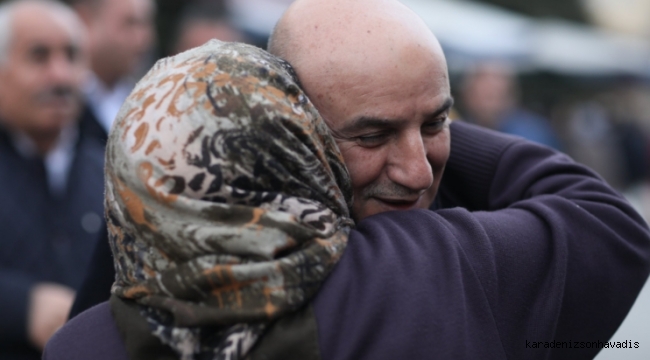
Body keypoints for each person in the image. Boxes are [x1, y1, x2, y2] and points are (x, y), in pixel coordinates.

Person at [57, 0, 650, 358]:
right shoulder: (429, 270)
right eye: (371, 135)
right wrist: (430, 117)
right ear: (293, 137)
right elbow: (608, 224)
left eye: (437, 123)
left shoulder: (84, 346)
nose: (418, 171)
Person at [0, 0, 105, 358]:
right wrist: (21, 305)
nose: (60, 76)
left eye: (72, 56)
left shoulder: (111, 167)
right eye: (38, 56)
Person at [67, 0, 155, 139]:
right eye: (130, 23)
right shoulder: (62, 102)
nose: (143, 39)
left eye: (145, 24)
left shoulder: (145, 103)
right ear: (84, 20)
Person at [458, 61, 563, 149]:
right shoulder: (464, 127)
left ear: (511, 98)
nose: (487, 105)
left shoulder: (531, 135)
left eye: (493, 96)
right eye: (480, 95)